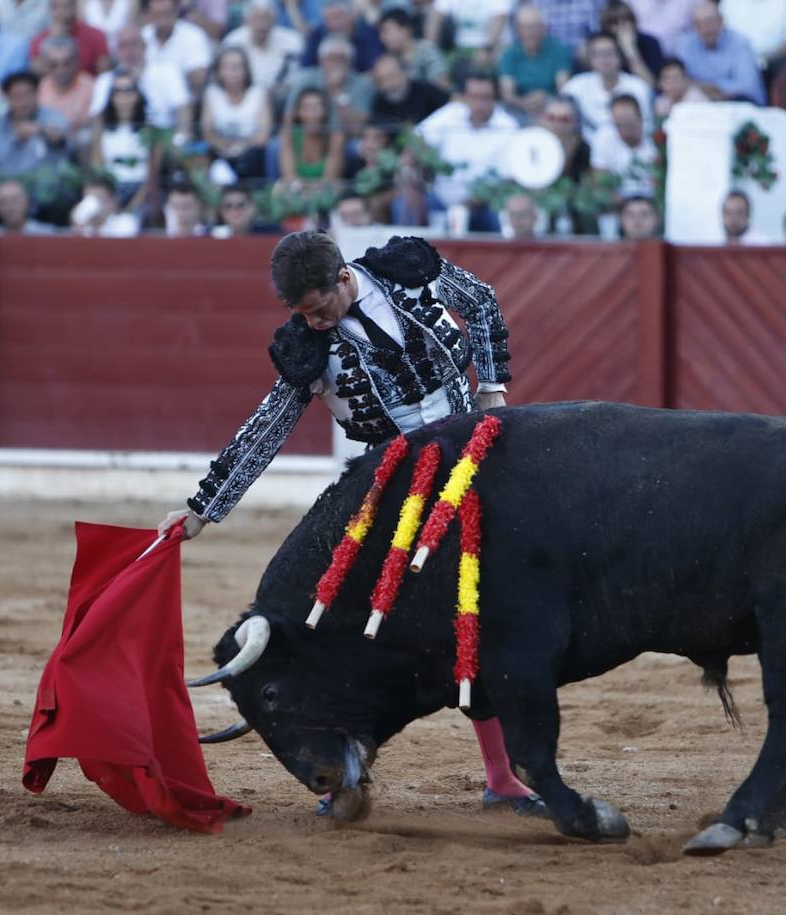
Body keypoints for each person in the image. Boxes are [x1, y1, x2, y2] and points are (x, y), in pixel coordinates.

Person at [155, 230, 541, 819]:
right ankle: (337, 771)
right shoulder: (305, 348)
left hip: (472, 465)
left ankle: (501, 777)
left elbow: (483, 302)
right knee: (346, 622)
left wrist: (491, 388)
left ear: (341, 278)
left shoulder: (408, 270)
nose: (313, 323)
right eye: (302, 315)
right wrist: (203, 509)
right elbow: (268, 428)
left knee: (472, 612)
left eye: (319, 309)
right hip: (389, 487)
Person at [415, 71, 520, 232]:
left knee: (499, 214)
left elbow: (508, 179)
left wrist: (469, 204)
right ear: (464, 97)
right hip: (440, 200)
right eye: (474, 97)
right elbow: (417, 139)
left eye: (485, 98)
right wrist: (417, 167)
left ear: (495, 98)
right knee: (405, 203)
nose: (479, 104)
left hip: (485, 205)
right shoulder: (451, 113)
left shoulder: (508, 126)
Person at [0, 70, 71, 178]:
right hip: (5, 188)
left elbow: (62, 137)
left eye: (28, 95)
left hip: (48, 188)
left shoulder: (52, 117)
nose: (23, 102)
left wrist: (39, 130)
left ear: (37, 94)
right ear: (7, 98)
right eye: (17, 96)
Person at [90, 23, 191, 132]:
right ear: (116, 51)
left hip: (163, 139)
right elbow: (96, 118)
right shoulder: (105, 80)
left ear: (144, 46)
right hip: (118, 143)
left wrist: (180, 140)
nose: (129, 51)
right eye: (123, 45)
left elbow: (183, 108)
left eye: (133, 43)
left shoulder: (168, 72)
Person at [561, 31, 651, 142]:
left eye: (609, 53)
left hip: (627, 145)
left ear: (619, 57)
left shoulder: (638, 87)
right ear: (590, 59)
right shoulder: (576, 86)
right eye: (598, 54)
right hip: (585, 149)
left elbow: (647, 126)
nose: (604, 59)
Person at [203, 46, 273, 180]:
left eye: (237, 67)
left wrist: (241, 147)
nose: (233, 72)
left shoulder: (258, 93)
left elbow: (262, 135)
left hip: (251, 154)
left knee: (256, 155)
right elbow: (208, 132)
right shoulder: (212, 94)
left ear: (246, 71)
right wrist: (225, 148)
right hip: (220, 153)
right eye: (227, 67)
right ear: (219, 71)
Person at [673, 1, 763, 105]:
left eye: (709, 22)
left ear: (721, 21)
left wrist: (714, 88)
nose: (705, 29)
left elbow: (747, 87)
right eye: (698, 24)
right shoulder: (686, 44)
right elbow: (678, 80)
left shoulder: (739, 43)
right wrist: (707, 89)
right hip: (701, 104)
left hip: (739, 104)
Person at [90, 70, 157, 202]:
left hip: (142, 195)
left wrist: (132, 206)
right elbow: (98, 173)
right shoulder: (102, 133)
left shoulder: (150, 132)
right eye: (118, 91)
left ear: (138, 94)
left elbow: (152, 177)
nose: (124, 96)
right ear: (111, 96)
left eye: (129, 90)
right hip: (111, 194)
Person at [497, 3, 572, 119]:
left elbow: (564, 90)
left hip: (551, 107)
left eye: (535, 27)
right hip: (519, 108)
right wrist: (524, 102)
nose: (531, 32)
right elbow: (508, 95)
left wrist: (546, 99)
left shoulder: (559, 50)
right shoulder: (509, 55)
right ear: (517, 30)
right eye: (526, 27)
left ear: (543, 29)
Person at [716, 0, 786, 88]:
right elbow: (717, 32)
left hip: (773, 68)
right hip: (731, 66)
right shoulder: (730, 2)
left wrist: (766, 59)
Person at [221, 0, 303, 92]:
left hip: (280, 95)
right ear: (246, 20)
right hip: (244, 94)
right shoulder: (233, 41)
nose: (262, 25)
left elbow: (295, 76)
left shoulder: (292, 41)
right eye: (257, 19)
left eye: (266, 19)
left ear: (274, 20)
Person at [142, 0, 214, 95]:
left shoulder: (194, 35)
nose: (163, 19)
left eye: (167, 13)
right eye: (158, 14)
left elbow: (199, 77)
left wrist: (169, 77)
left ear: (176, 11)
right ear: (149, 15)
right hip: (145, 98)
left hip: (185, 97)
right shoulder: (142, 35)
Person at [590, 92, 656, 191]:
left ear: (640, 118)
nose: (625, 131)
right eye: (619, 125)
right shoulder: (603, 137)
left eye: (629, 125)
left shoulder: (656, 137)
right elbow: (599, 180)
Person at [278, 85, 344, 182]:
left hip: (326, 194)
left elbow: (329, 180)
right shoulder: (289, 136)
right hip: (295, 193)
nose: (312, 114)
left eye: (316, 107)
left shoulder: (335, 138)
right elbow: (289, 177)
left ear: (325, 111)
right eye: (306, 108)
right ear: (298, 112)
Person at [299, 0, 382, 73]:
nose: (335, 23)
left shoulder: (368, 33)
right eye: (329, 19)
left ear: (351, 15)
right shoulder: (316, 36)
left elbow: (375, 68)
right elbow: (306, 70)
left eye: (338, 16)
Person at [369, 51, 447, 128]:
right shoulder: (379, 103)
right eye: (381, 80)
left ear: (405, 72)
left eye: (391, 77)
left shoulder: (427, 91)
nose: (387, 84)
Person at [30, 0, 110, 75]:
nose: (63, 12)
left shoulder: (96, 35)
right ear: (50, 10)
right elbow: (37, 71)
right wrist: (53, 40)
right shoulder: (39, 40)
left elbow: (104, 71)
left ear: (75, 7)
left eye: (67, 6)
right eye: (56, 7)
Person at [37, 35, 96, 134]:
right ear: (45, 65)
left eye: (66, 63)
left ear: (76, 61)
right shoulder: (41, 88)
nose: (61, 70)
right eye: (53, 65)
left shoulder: (91, 87)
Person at [377, 6, 447, 89]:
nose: (382, 38)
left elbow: (442, 86)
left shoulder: (426, 50)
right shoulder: (390, 59)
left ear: (405, 30)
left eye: (386, 31)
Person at [597, 1, 660, 87]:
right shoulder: (599, 44)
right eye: (615, 22)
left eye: (627, 19)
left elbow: (651, 84)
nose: (622, 25)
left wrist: (630, 50)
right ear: (606, 26)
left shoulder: (649, 43)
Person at [70, 172, 141, 235]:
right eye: (87, 198)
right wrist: (77, 224)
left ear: (112, 202)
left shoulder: (126, 222)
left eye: (99, 198)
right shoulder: (85, 228)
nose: (91, 203)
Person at [210, 182, 281, 236]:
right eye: (228, 206)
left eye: (240, 205)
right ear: (221, 212)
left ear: (252, 208)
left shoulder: (272, 234)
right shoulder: (211, 235)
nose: (235, 210)